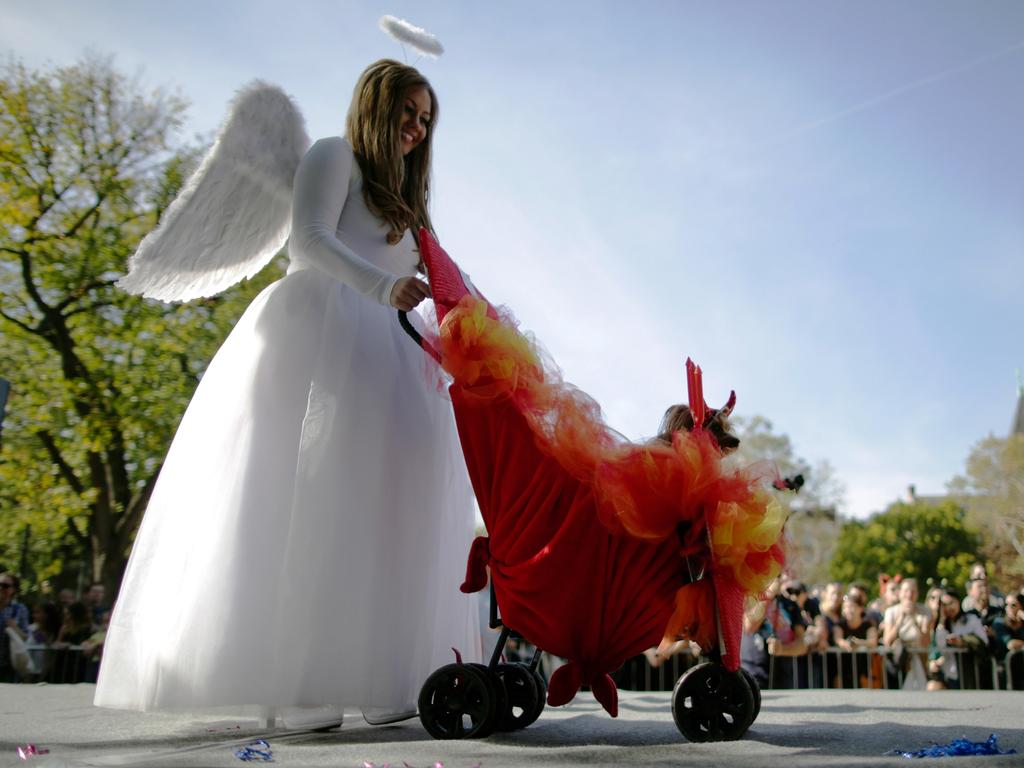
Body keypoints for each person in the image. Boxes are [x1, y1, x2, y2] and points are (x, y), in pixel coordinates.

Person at [95, 60, 481, 725]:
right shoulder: (335, 158)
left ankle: (382, 672)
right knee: (314, 503)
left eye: (425, 120)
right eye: (406, 113)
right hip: (320, 339)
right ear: (375, 105)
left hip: (389, 355)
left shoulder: (409, 204)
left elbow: (445, 274)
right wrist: (381, 287)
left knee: (387, 510)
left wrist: (490, 330)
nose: (416, 129)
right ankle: (304, 683)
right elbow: (310, 239)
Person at [881, 577, 929, 689]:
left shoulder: (924, 612)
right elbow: (887, 641)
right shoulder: (891, 612)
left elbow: (926, 642)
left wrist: (914, 619)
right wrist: (900, 619)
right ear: (900, 593)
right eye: (906, 591)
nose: (909, 595)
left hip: (918, 661)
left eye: (913, 591)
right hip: (898, 661)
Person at [0, 572, 31, 683]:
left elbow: (25, 637)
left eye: (5, 586)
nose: (1, 588)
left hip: (8, 664)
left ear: (13, 589)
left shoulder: (19, 609)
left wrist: (14, 627)